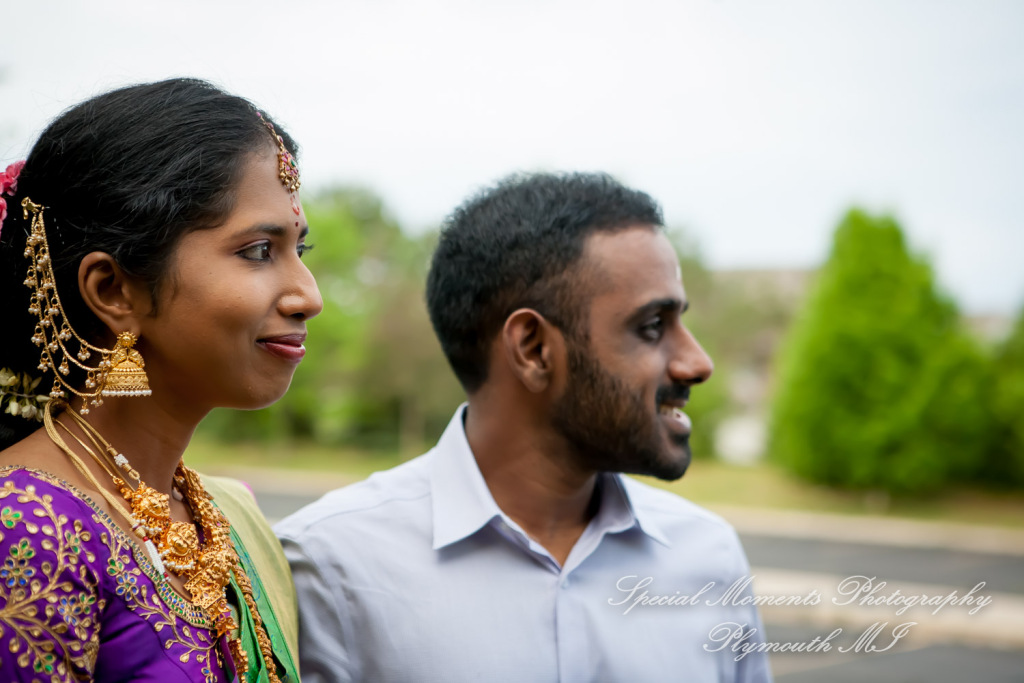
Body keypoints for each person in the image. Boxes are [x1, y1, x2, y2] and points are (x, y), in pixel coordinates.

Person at [276, 173, 772, 682]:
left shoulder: (708, 555)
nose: (697, 362)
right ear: (534, 348)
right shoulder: (330, 568)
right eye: (651, 327)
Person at [0, 78, 322, 682]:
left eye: (302, 249)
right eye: (258, 251)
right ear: (114, 289)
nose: (309, 295)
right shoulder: (24, 526)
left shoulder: (219, 515)